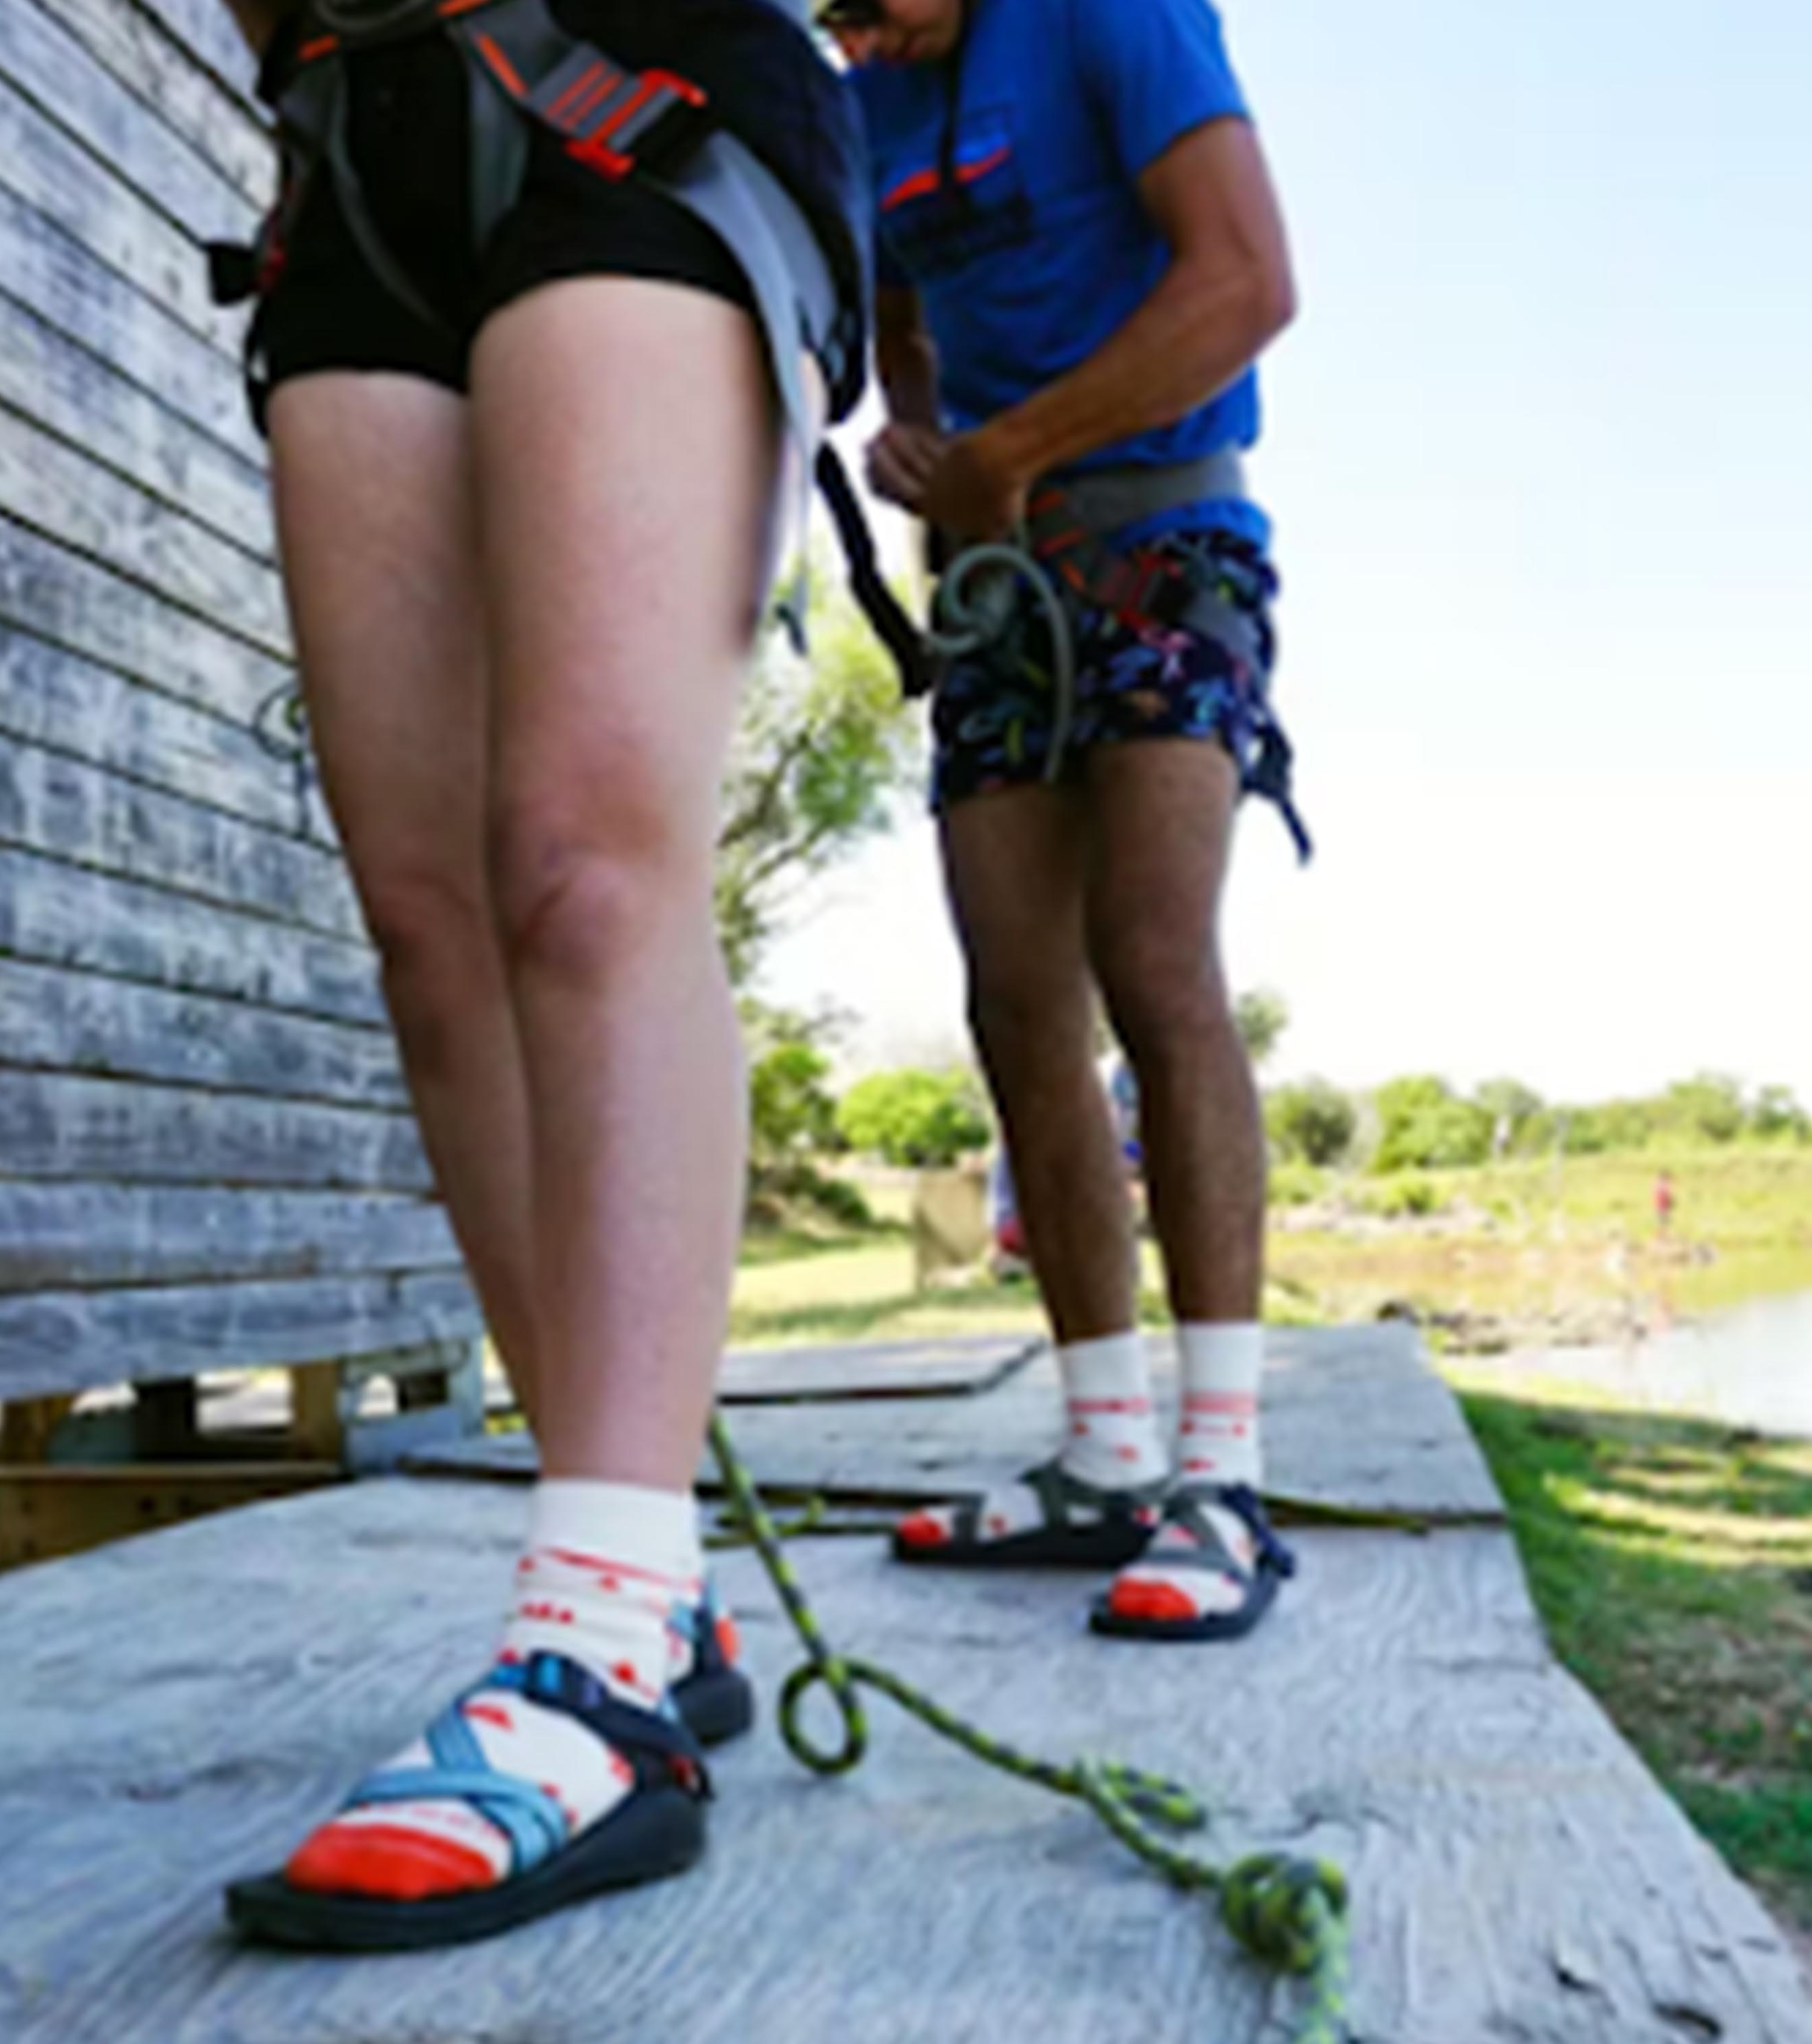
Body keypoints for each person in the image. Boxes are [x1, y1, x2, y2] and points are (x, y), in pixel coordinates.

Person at [203, 0, 871, 1949]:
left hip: (634, 79)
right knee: (428, 926)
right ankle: (651, 1579)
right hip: (351, 127)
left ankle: (595, 1663)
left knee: (583, 865)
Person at [827, 0, 1301, 1640]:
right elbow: (893, 311)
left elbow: (1247, 284)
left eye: (866, 4)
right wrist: (923, 431)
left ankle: (1220, 1475)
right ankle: (1105, 1456)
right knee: (1018, 999)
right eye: (825, 15)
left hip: (1169, 534)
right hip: (992, 580)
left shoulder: (1113, 12)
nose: (856, 38)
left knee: (1154, 961)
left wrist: (1009, 450)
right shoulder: (866, 94)